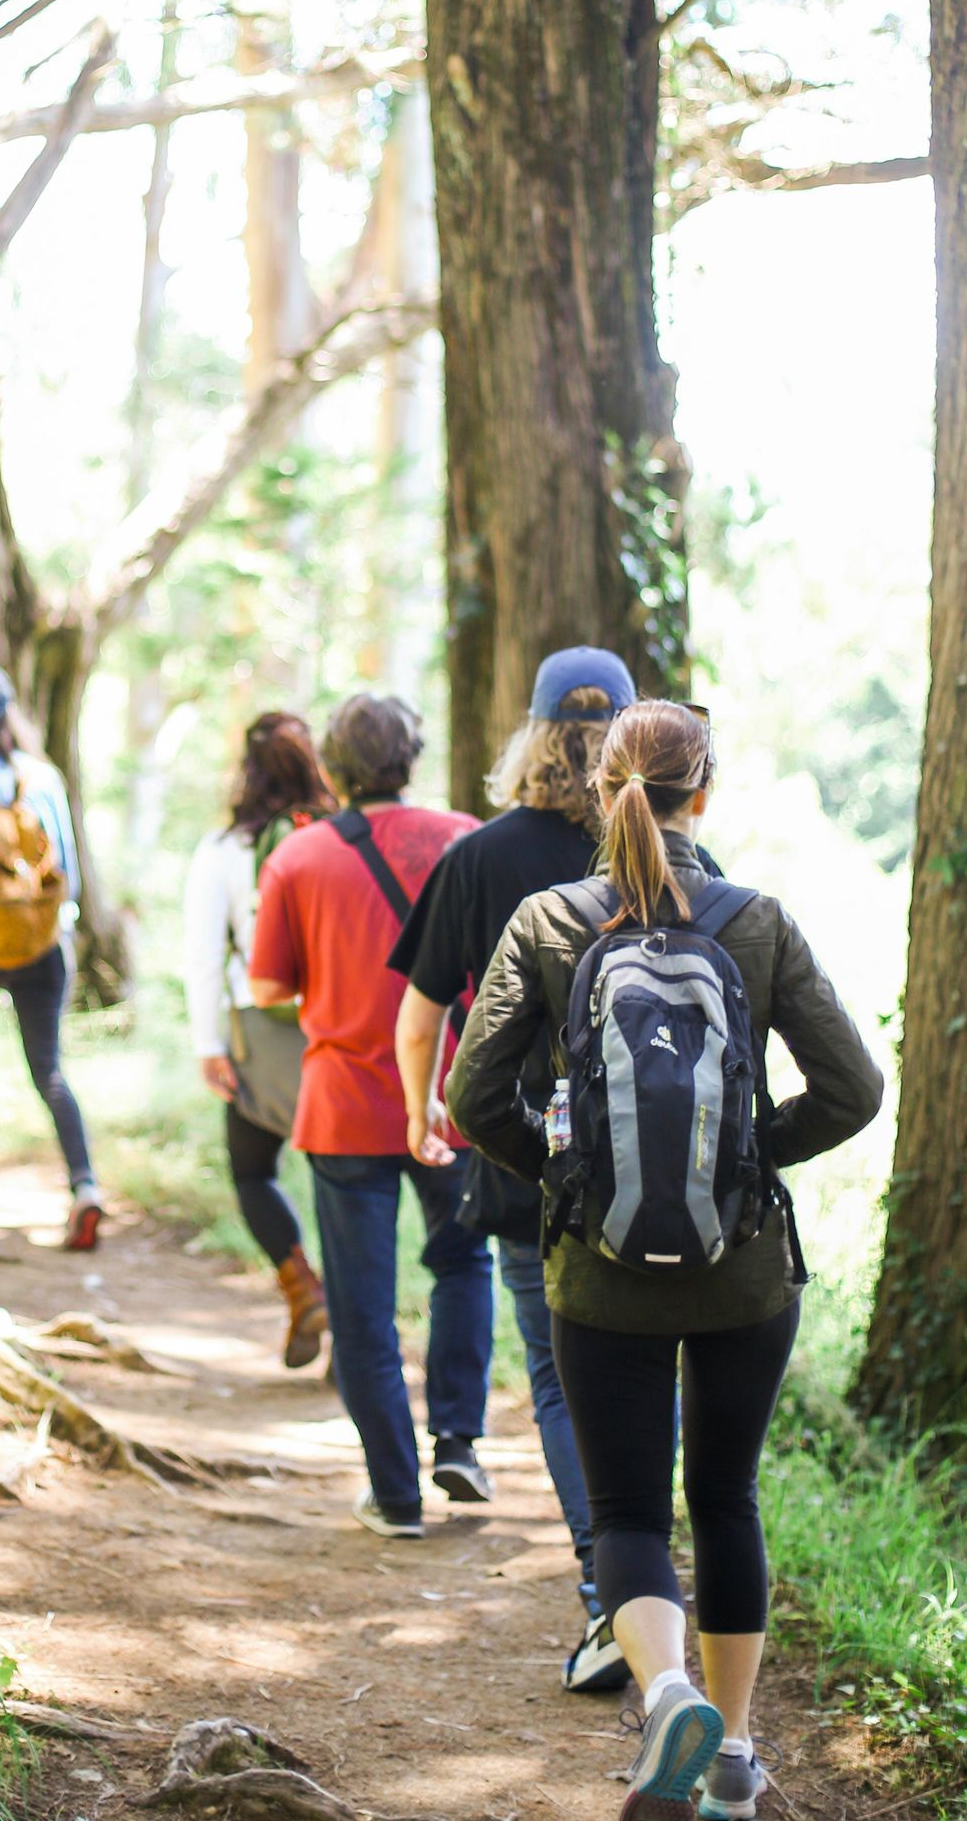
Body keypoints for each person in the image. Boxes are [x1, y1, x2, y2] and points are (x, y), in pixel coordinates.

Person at [447, 700, 882, 1821]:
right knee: (727, 1496)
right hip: (743, 1277)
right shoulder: (758, 920)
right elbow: (854, 1090)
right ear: (708, 791)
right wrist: (746, 1159)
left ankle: (669, 1693)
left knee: (633, 1508)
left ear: (600, 789)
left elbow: (471, 1100)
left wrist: (566, 1176)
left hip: (599, 1275)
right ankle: (733, 1755)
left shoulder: (549, 920)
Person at [392, 647, 638, 1686]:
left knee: (557, 1376)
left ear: (530, 737)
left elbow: (419, 1015)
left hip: (525, 1158)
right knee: (649, 1367)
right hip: (657, 1163)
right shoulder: (667, 853)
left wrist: (422, 1115)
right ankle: (653, 1577)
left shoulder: (480, 857)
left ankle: (608, 1593)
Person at [248, 691, 490, 1538]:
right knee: (464, 1263)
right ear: (411, 757)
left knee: (362, 1307)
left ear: (335, 768)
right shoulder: (464, 838)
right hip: (453, 1095)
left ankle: (395, 1494)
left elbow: (268, 985)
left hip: (347, 1104)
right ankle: (458, 1437)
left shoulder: (300, 859)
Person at [183, 712, 336, 1366]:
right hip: (340, 1031)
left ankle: (301, 1282)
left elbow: (201, 955)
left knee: (253, 1170)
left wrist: (208, 1044)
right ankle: (354, 1331)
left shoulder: (224, 850)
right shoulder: (341, 837)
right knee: (343, 1183)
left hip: (259, 1031)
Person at [0, 664, 104, 1252]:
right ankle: (84, 1186)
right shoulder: (43, 779)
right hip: (40, 948)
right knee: (50, 1070)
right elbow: (71, 877)